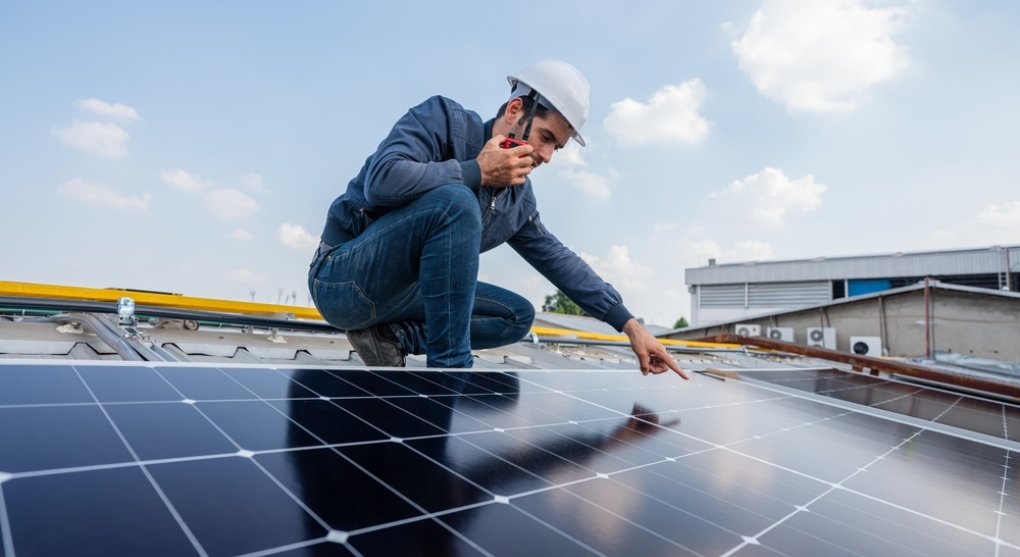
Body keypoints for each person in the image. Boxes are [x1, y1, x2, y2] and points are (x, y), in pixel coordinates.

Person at [309, 59, 687, 379]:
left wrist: (630, 325)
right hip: (342, 279)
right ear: (515, 111)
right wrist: (475, 171)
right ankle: (451, 376)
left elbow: (560, 261)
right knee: (455, 201)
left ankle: (390, 337)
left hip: (401, 299)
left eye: (557, 146)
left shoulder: (517, 200)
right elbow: (381, 182)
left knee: (516, 315)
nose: (547, 155)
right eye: (545, 137)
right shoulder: (442, 121)